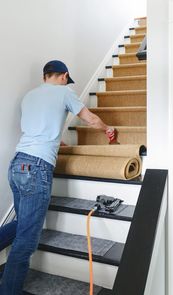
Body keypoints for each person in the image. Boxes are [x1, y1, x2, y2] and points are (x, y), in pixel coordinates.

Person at [0, 60, 116, 295]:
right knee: (27, 240)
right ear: (64, 76)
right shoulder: (65, 92)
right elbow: (90, 118)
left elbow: (39, 129)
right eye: (66, 79)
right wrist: (107, 129)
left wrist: (57, 142)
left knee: (21, 224)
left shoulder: (29, 96)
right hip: (37, 169)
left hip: (18, 163)